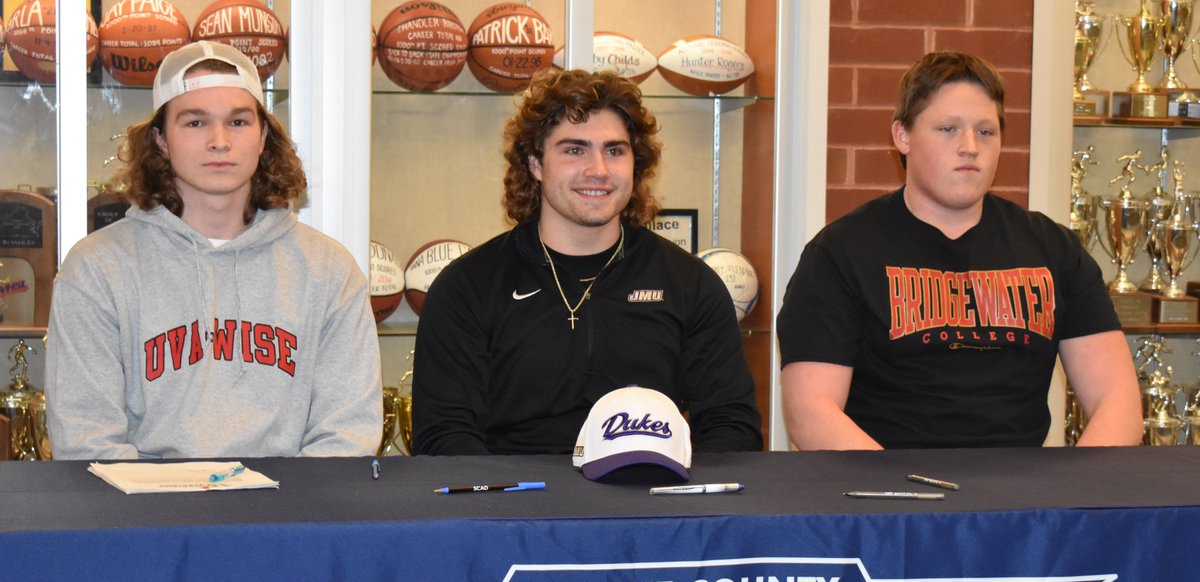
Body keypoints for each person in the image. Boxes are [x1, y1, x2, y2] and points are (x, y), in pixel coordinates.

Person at [776, 51, 1141, 450]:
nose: (970, 147)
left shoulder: (1053, 248)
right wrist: (906, 499)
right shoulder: (840, 253)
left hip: (1026, 500)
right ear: (903, 136)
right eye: (948, 129)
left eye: (986, 132)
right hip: (891, 496)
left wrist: (1075, 501)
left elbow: (1117, 401)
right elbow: (810, 413)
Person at [46, 41, 382, 459]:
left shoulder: (328, 269)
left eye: (238, 122)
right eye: (195, 123)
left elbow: (348, 431)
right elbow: (85, 436)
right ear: (161, 140)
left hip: (287, 513)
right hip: (148, 516)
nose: (219, 141)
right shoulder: (97, 268)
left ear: (262, 137)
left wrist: (280, 518)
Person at [412, 68, 762, 455]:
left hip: (649, 504)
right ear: (535, 163)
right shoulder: (468, 287)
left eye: (615, 150)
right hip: (516, 507)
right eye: (574, 150)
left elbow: (732, 428)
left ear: (636, 164)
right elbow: (443, 436)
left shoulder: (690, 284)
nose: (598, 170)